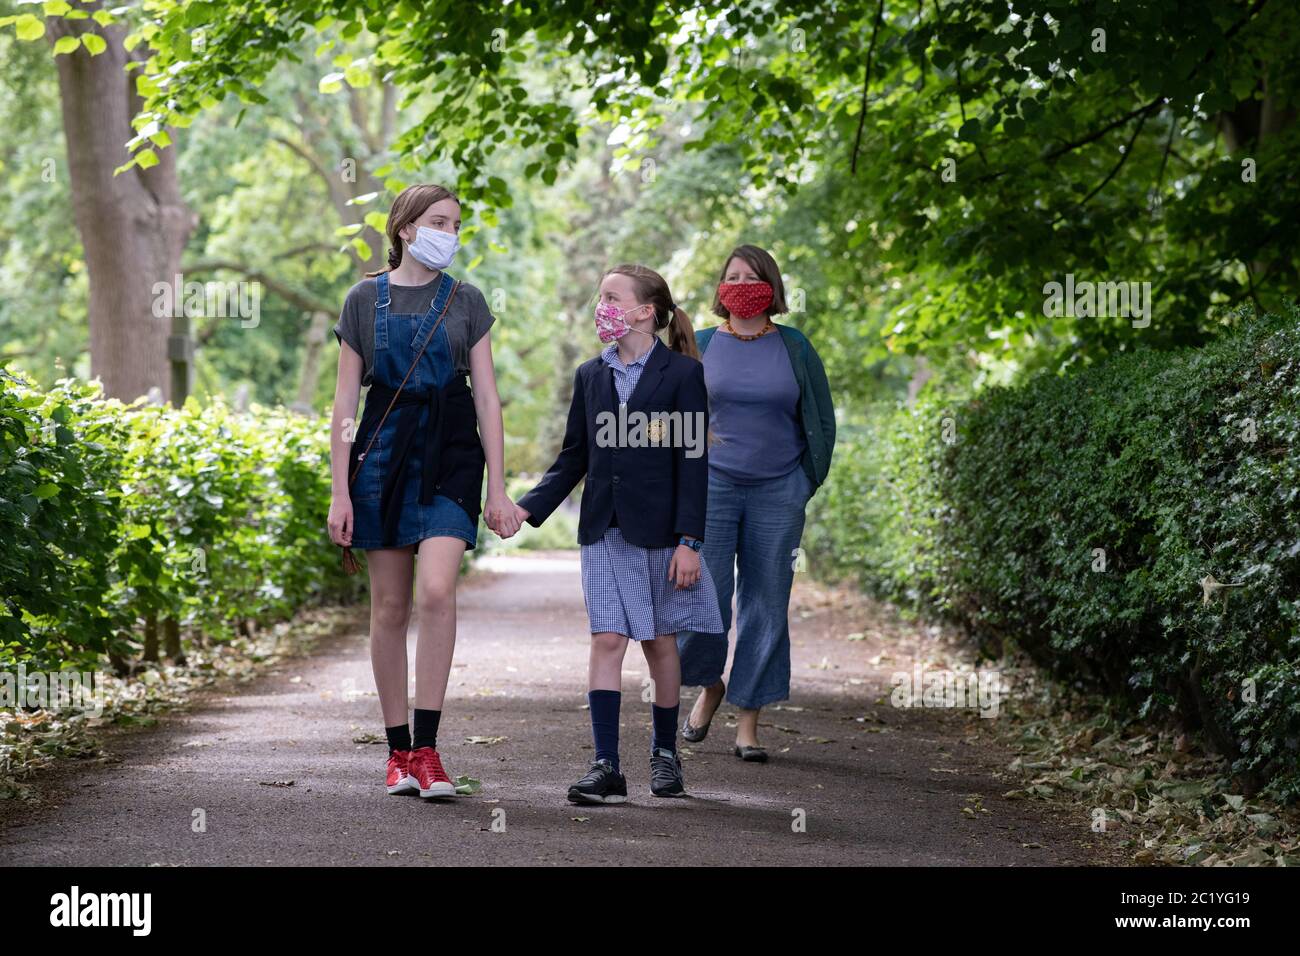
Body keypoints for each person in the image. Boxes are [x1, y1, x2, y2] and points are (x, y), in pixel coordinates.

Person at [326, 183, 520, 798]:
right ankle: (397, 753)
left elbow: (487, 397)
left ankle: (430, 750)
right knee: (388, 607)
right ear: (405, 228)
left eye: (457, 224)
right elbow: (344, 405)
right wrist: (340, 491)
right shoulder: (363, 300)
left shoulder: (467, 301)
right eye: (440, 221)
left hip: (452, 451)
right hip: (382, 453)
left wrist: (499, 486)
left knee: (436, 591)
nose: (451, 233)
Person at [513, 264, 722, 803]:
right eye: (599, 295)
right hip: (604, 527)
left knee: (658, 642)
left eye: (611, 296)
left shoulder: (681, 375)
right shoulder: (591, 375)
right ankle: (606, 765)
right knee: (606, 639)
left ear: (644, 312)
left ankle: (665, 756)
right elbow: (574, 457)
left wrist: (689, 541)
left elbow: (693, 460)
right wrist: (525, 509)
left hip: (661, 533)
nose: (600, 304)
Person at [676, 244, 836, 761]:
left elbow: (821, 418)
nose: (741, 283)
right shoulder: (698, 345)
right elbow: (674, 416)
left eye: (752, 276)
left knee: (766, 602)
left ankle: (749, 720)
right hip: (713, 489)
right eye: (732, 276)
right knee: (705, 597)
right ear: (721, 288)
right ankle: (709, 686)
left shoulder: (795, 347)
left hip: (777, 490)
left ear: (771, 286)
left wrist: (803, 483)